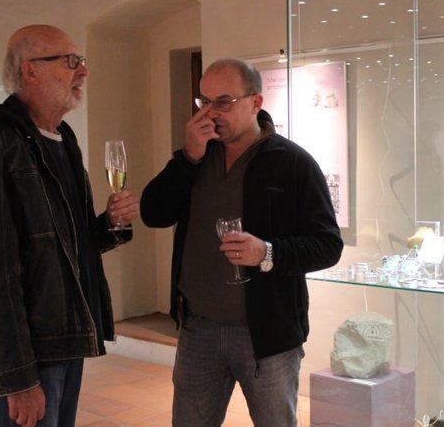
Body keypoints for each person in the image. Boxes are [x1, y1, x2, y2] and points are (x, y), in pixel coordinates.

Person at [140, 58, 343, 426]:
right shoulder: (197, 157)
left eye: (223, 102)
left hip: (267, 334)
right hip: (199, 328)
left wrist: (267, 252)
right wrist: (187, 157)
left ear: (255, 102)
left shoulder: (292, 163)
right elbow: (153, 213)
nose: (210, 113)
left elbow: (328, 245)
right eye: (204, 102)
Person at [0, 25, 139, 427]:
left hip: (65, 337)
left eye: (82, 61)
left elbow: (66, 246)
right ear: (30, 70)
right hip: (32, 349)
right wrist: (17, 376)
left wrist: (110, 224)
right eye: (70, 61)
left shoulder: (61, 138)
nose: (83, 71)